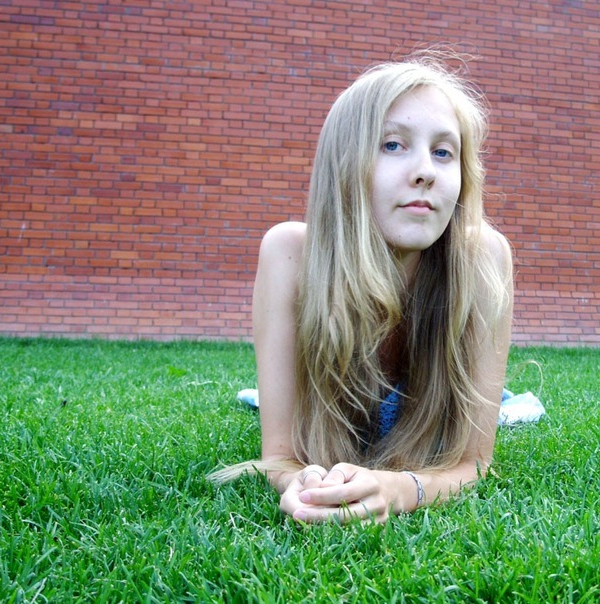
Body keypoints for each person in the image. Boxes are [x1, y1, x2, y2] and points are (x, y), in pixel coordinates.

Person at [209, 52, 514, 524]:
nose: (426, 171)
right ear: (344, 163)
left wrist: (401, 489)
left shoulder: (484, 260)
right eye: (392, 144)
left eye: (443, 152)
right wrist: (302, 484)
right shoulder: (289, 254)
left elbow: (474, 464)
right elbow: (281, 456)